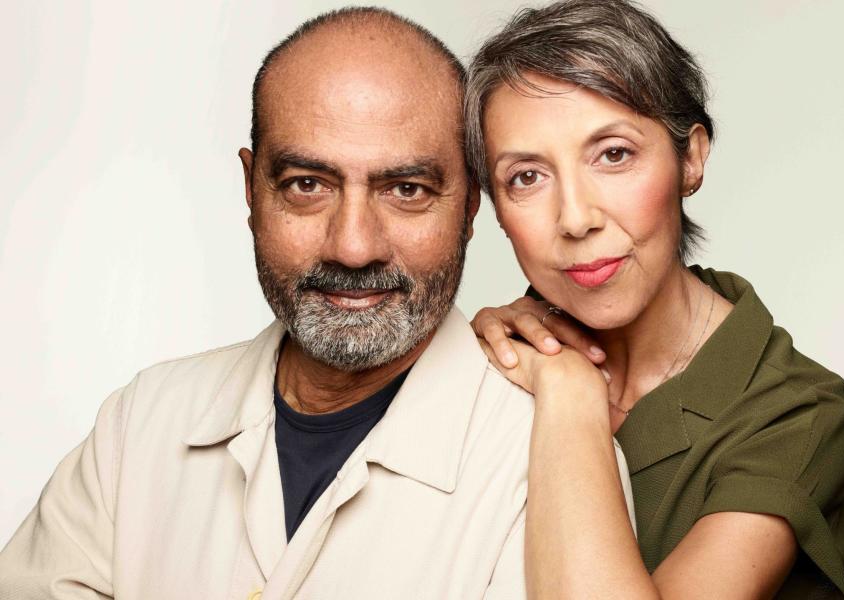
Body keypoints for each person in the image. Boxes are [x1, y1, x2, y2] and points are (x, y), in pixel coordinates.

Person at [0, 7, 634, 599]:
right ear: (250, 189)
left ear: (470, 207)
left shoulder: (546, 458)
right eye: (308, 185)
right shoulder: (141, 424)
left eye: (406, 189)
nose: (354, 247)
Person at [465, 1, 844, 598]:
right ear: (492, 209)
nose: (576, 219)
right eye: (527, 176)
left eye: (614, 154)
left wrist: (570, 392)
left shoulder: (798, 414)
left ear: (691, 157)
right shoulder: (485, 362)